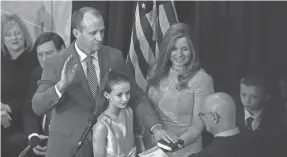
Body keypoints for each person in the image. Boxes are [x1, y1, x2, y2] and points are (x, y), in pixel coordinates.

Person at [32, 7, 175, 157]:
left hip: (109, 147)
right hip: (70, 149)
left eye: (102, 31)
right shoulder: (56, 62)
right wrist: (61, 85)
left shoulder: (114, 57)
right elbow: (37, 106)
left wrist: (156, 128)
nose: (99, 38)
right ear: (76, 33)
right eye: (93, 33)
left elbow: (136, 95)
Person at [147, 23, 215, 156]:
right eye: (174, 49)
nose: (179, 54)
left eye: (185, 49)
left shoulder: (202, 79)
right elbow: (147, 107)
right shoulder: (156, 70)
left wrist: (176, 145)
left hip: (184, 149)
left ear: (192, 50)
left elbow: (197, 127)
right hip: (153, 146)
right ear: (167, 49)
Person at [1, 13, 39, 157]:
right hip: (3, 120)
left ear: (25, 36)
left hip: (27, 122)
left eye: (17, 33)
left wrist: (8, 108)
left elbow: (32, 95)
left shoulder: (35, 58)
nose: (14, 38)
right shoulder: (1, 60)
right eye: (9, 35)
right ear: (3, 39)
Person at [23, 32, 66, 156]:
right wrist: (33, 135)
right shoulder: (36, 74)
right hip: (41, 138)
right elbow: (28, 110)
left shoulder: (74, 73)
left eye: (48, 53)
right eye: (40, 55)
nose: (44, 59)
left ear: (62, 50)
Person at [188, 93, 253, 157]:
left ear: (214, 117)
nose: (202, 119)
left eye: (203, 115)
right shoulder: (257, 142)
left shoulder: (205, 155)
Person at [92, 69, 136, 157]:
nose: (125, 99)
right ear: (107, 95)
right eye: (119, 95)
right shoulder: (101, 126)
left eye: (127, 93)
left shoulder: (129, 112)